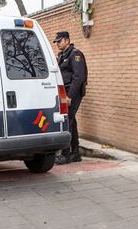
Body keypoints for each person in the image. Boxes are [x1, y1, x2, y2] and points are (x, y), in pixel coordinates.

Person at [53, 31, 88, 165]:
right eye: (56, 42)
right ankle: (76, 153)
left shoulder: (75, 55)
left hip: (73, 93)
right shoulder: (62, 56)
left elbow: (79, 77)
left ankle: (66, 155)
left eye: (59, 41)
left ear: (67, 40)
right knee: (71, 121)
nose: (57, 44)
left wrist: (70, 96)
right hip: (65, 92)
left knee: (67, 121)